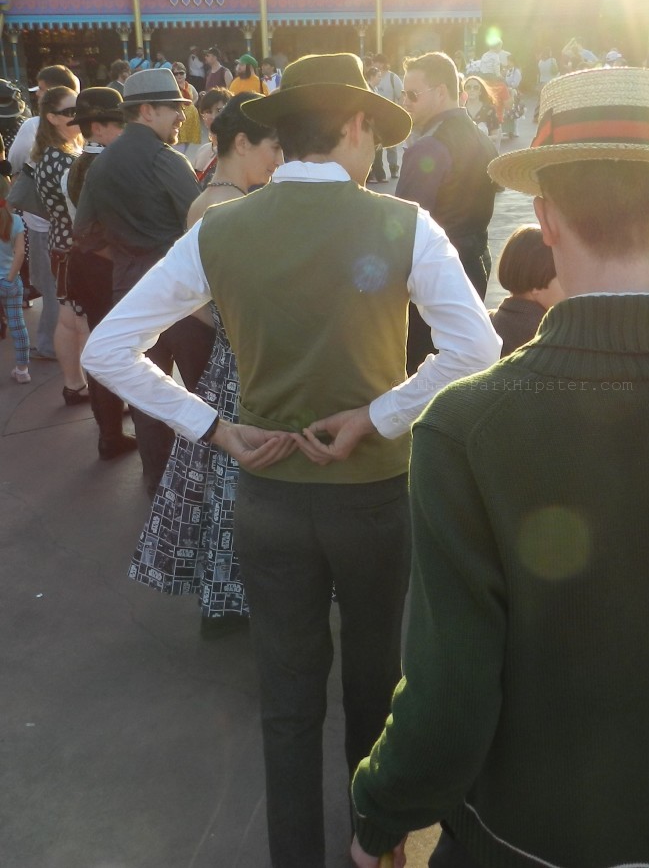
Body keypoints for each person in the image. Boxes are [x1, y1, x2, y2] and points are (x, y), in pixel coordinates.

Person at [348, 66, 649, 868]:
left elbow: (449, 694)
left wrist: (380, 812)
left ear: (544, 216)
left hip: (526, 843)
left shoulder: (467, 427)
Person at [82, 53, 500, 868]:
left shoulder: (224, 229)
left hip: (267, 494)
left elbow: (108, 347)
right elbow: (475, 347)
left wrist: (215, 426)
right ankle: (371, 847)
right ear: (353, 126)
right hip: (375, 495)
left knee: (287, 701)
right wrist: (377, 415)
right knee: (377, 696)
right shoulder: (403, 223)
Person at [131, 91, 282, 637]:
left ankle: (226, 596)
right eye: (273, 147)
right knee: (233, 484)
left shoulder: (219, 196)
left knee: (225, 483)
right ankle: (229, 599)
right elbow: (194, 296)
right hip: (238, 362)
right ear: (242, 143)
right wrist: (234, 322)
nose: (278, 159)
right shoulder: (223, 204)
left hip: (230, 359)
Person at [74, 68, 210, 496]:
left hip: (129, 290)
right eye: (175, 109)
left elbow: (83, 234)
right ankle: (205, 485)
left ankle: (158, 480)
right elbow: (202, 224)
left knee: (147, 395)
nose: (180, 118)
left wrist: (125, 252)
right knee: (202, 389)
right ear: (148, 111)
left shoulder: (102, 160)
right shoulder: (168, 160)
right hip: (182, 295)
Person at [397, 52, 498, 372]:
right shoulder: (482, 139)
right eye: (403, 94)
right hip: (477, 261)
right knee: (460, 366)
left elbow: (405, 223)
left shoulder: (429, 147)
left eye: (413, 94)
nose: (405, 102)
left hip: (436, 276)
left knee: (423, 371)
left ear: (441, 92)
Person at [63, 87, 136, 460]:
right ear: (100, 126)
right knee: (134, 350)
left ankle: (108, 431)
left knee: (101, 347)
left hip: (84, 267)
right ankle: (143, 431)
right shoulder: (115, 166)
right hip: (113, 265)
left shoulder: (72, 165)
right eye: (120, 123)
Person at [9, 65, 81, 363]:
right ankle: (53, 347)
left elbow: (15, 161)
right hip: (54, 231)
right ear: (53, 117)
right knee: (58, 295)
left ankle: (56, 347)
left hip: (45, 227)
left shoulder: (54, 143)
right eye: (72, 111)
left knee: (56, 291)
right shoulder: (58, 154)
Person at [32, 84, 88, 404]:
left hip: (60, 243)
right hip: (75, 246)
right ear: (52, 117)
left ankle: (74, 384)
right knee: (83, 322)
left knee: (69, 320)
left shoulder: (48, 155)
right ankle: (98, 393)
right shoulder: (65, 159)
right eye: (70, 112)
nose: (77, 117)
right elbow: (79, 209)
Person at [488, 224, 563, 355]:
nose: (570, 284)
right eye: (563, 276)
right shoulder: (548, 334)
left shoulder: (490, 321)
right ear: (536, 284)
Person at [1, 173, 30, 383]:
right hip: (10, 282)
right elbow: (20, 253)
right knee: (18, 325)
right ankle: (22, 370)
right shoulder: (16, 221)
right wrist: (10, 278)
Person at [372, 53, 402, 178]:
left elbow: (401, 96)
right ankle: (377, 170)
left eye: (377, 62)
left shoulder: (392, 78)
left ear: (384, 63)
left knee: (392, 145)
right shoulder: (373, 76)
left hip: (391, 115)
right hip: (376, 116)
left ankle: (393, 167)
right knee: (376, 144)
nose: (375, 65)